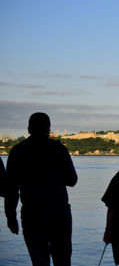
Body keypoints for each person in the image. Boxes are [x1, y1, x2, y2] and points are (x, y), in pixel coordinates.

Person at [4, 112, 78, 266]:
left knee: (39, 261)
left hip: (32, 214)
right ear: (49, 129)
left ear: (29, 129)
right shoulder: (59, 149)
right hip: (59, 213)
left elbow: (11, 188)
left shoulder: (17, 151)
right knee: (63, 260)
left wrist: (11, 217)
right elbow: (72, 181)